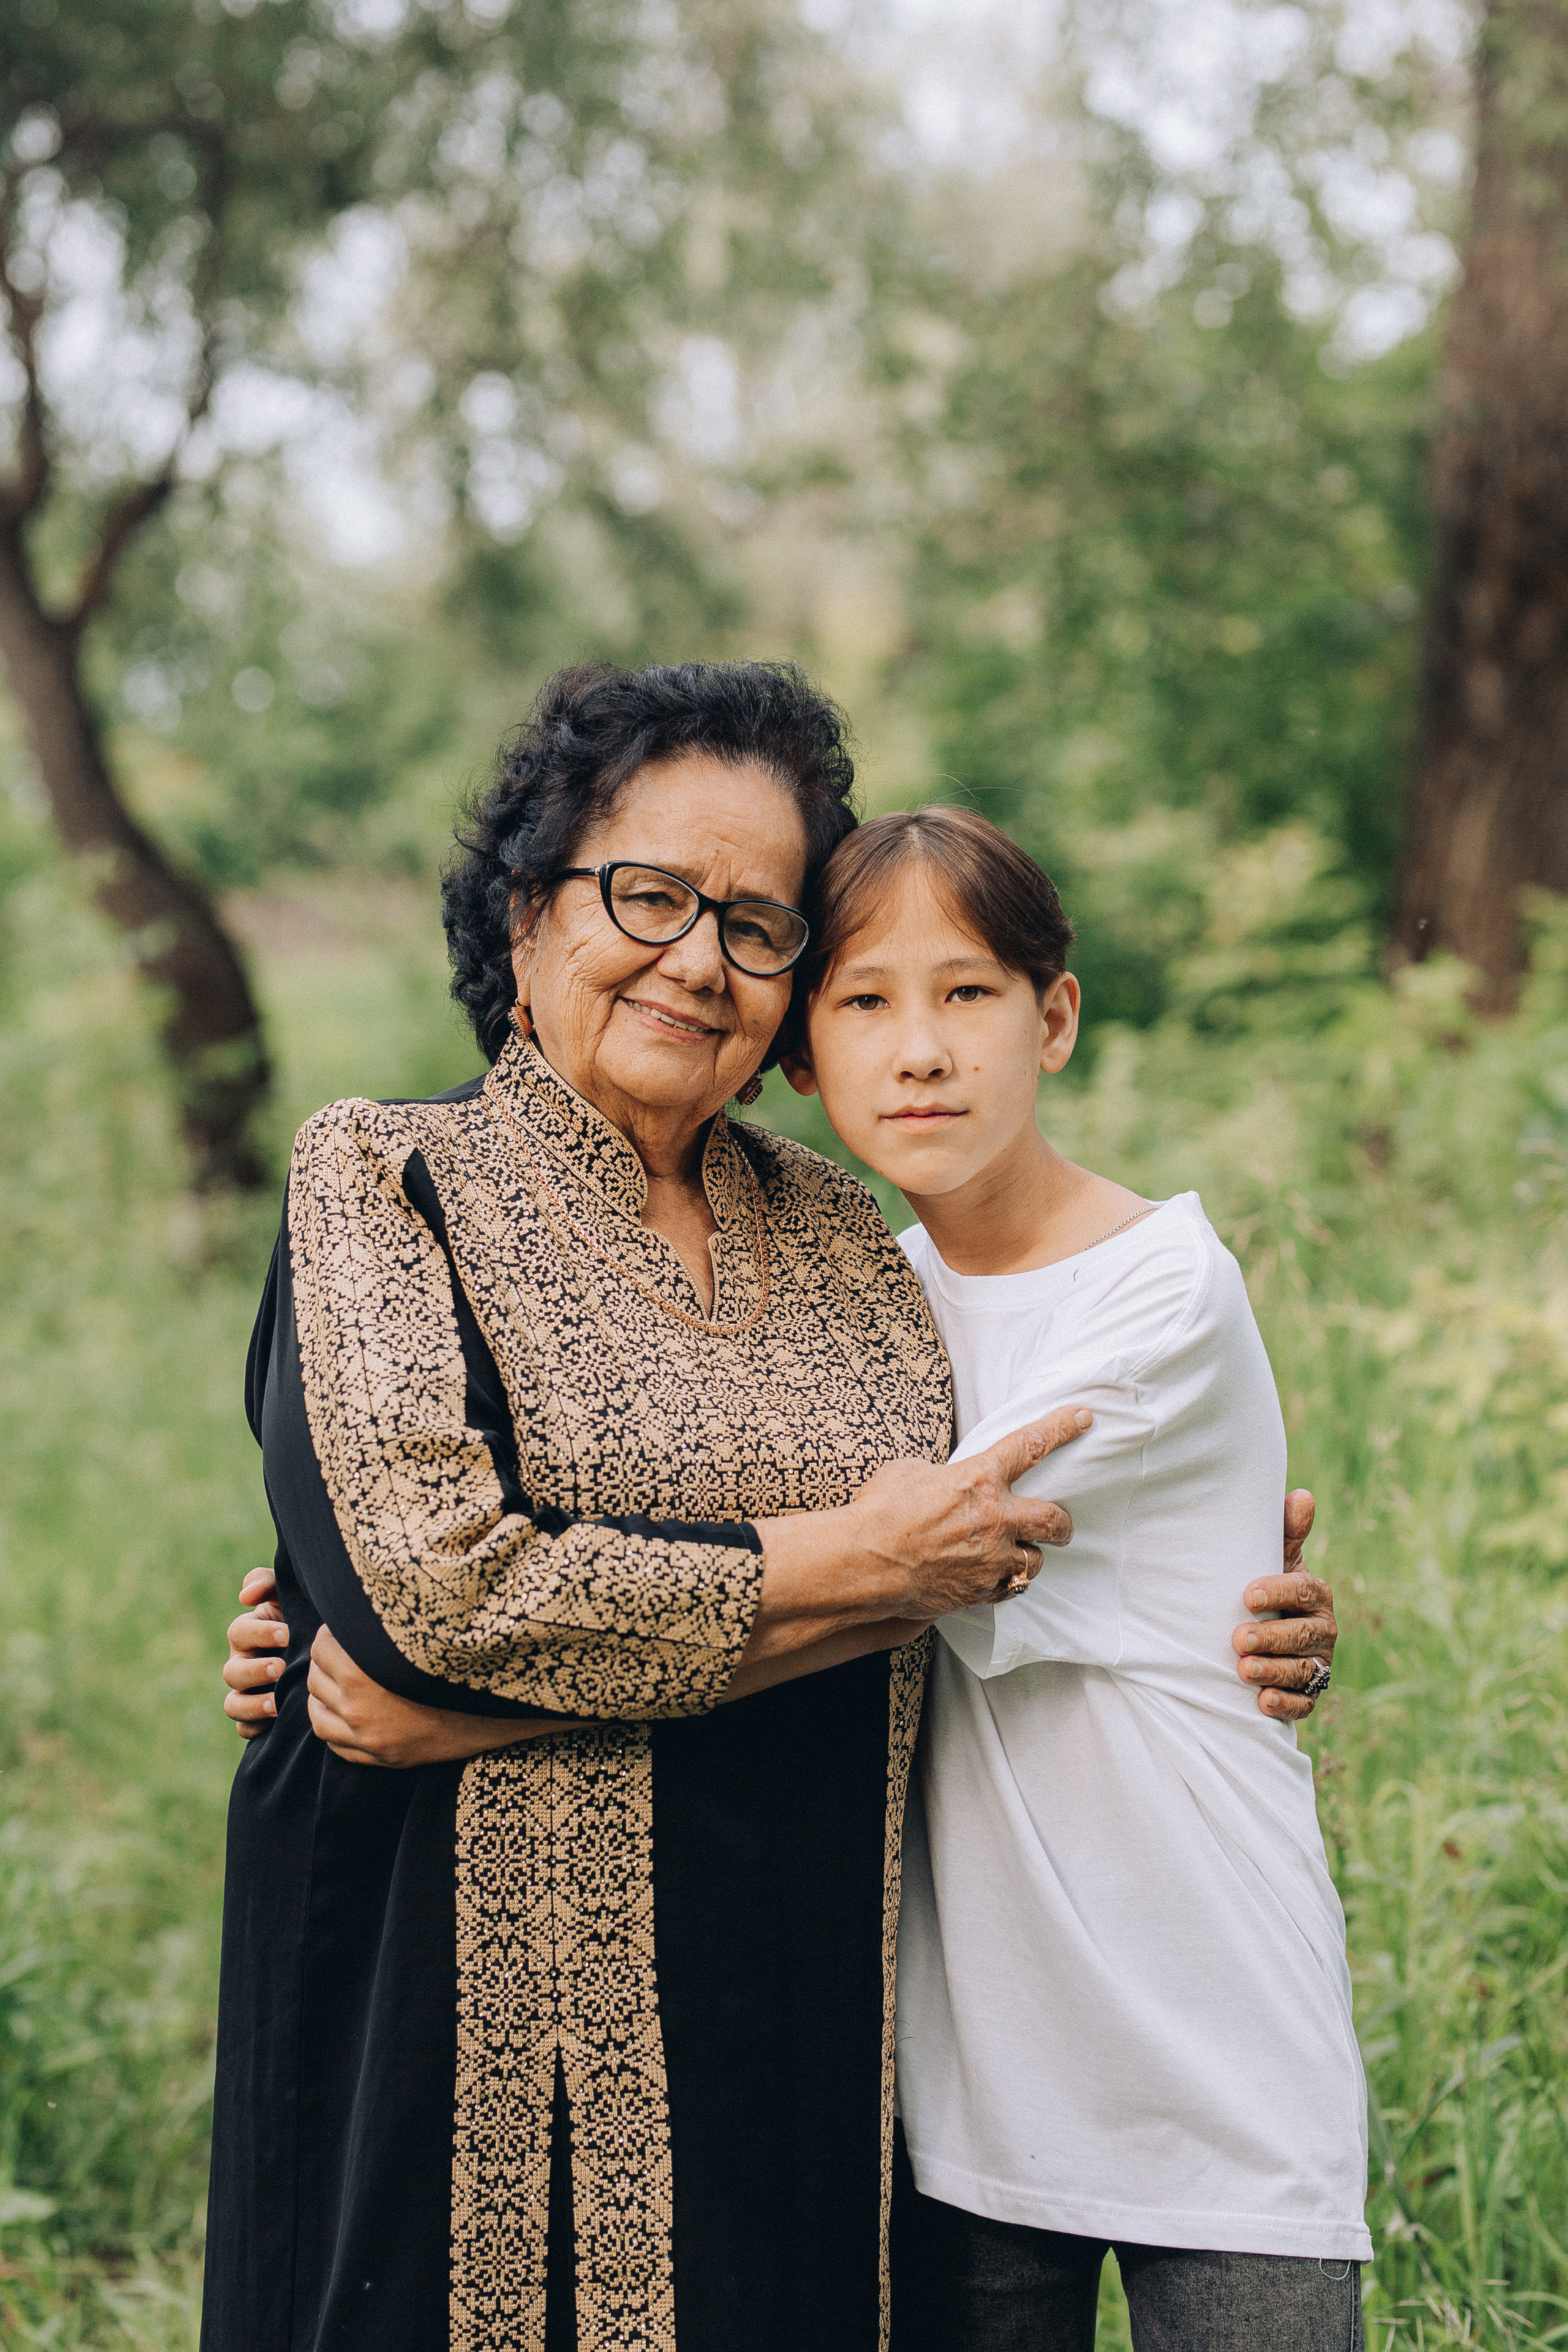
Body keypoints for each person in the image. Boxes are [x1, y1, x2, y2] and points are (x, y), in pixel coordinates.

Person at [216, 661, 1339, 2352]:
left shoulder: (839, 1237)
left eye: (756, 925)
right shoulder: (389, 1176)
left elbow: (979, 1545)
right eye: (649, 895)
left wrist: (1239, 1584)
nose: (698, 958)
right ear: (527, 912)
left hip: (802, 2033)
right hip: (458, 2008)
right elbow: (432, 1594)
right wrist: (843, 1564)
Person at [782, 807, 1368, 2350]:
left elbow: (885, 1557)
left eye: (966, 993)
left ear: (1053, 1019)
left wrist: (480, 1640)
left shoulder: (1160, 1286)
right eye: (862, 1001)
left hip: (1210, 2027)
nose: (918, 1051)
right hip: (975, 2068)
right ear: (799, 1057)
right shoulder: (858, 1306)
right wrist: (377, 1607)